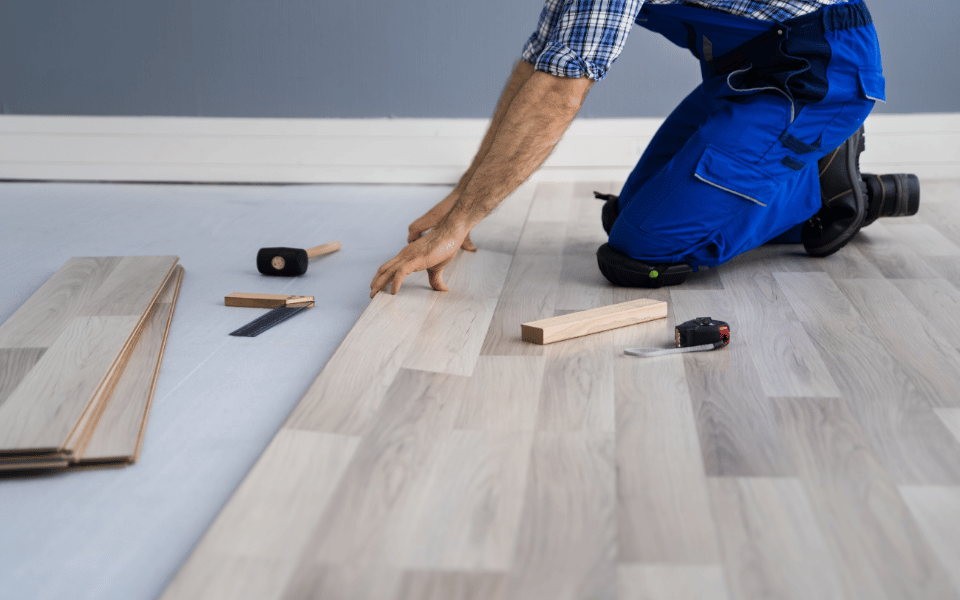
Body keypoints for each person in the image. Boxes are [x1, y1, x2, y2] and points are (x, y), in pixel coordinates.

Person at [370, 0, 918, 297]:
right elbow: (539, 64)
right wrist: (461, 202)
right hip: (750, 76)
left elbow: (561, 90)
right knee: (625, 217)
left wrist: (459, 224)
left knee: (640, 254)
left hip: (818, 76)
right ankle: (809, 173)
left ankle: (825, 186)